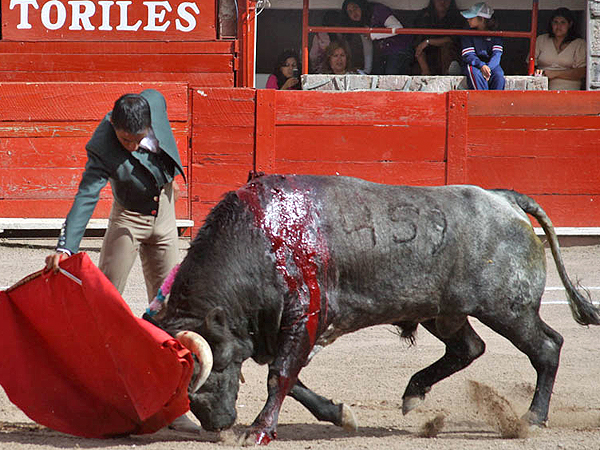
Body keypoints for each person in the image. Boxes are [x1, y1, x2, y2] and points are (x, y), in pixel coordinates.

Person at [44, 90, 198, 432]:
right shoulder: (103, 144)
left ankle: (174, 406)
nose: (130, 145)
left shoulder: (154, 103)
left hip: (166, 214)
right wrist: (65, 247)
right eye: (124, 139)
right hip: (128, 217)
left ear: (149, 124)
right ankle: (96, 395)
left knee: (170, 309)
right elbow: (86, 194)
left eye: (137, 138)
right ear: (113, 125)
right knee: (103, 301)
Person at [342, 0, 414, 75]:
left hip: (400, 49)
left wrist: (373, 35)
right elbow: (368, 47)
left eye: (355, 8)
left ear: (361, 5)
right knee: (377, 75)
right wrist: (367, 71)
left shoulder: (378, 10)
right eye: (350, 12)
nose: (354, 13)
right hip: (384, 54)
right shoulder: (360, 23)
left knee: (390, 75)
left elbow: (397, 28)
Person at [534, 7, 586, 90]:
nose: (558, 26)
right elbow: (530, 63)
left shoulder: (579, 44)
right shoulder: (541, 40)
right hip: (542, 88)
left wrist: (555, 73)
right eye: (555, 22)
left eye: (563, 22)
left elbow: (582, 72)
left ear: (570, 24)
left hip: (569, 90)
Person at [413, 0, 466, 75]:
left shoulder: (457, 17)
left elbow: (451, 39)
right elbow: (418, 44)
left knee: (447, 48)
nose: (442, 2)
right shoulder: (424, 16)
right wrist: (425, 70)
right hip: (428, 57)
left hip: (449, 56)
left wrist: (428, 42)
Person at [460, 2, 505, 90]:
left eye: (472, 17)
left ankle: (496, 102)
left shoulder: (495, 34)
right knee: (475, 74)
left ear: (482, 19)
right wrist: (481, 65)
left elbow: (497, 54)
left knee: (499, 75)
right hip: (474, 64)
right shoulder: (467, 33)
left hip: (491, 64)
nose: (468, 20)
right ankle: (481, 102)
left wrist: (488, 68)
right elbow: (468, 55)